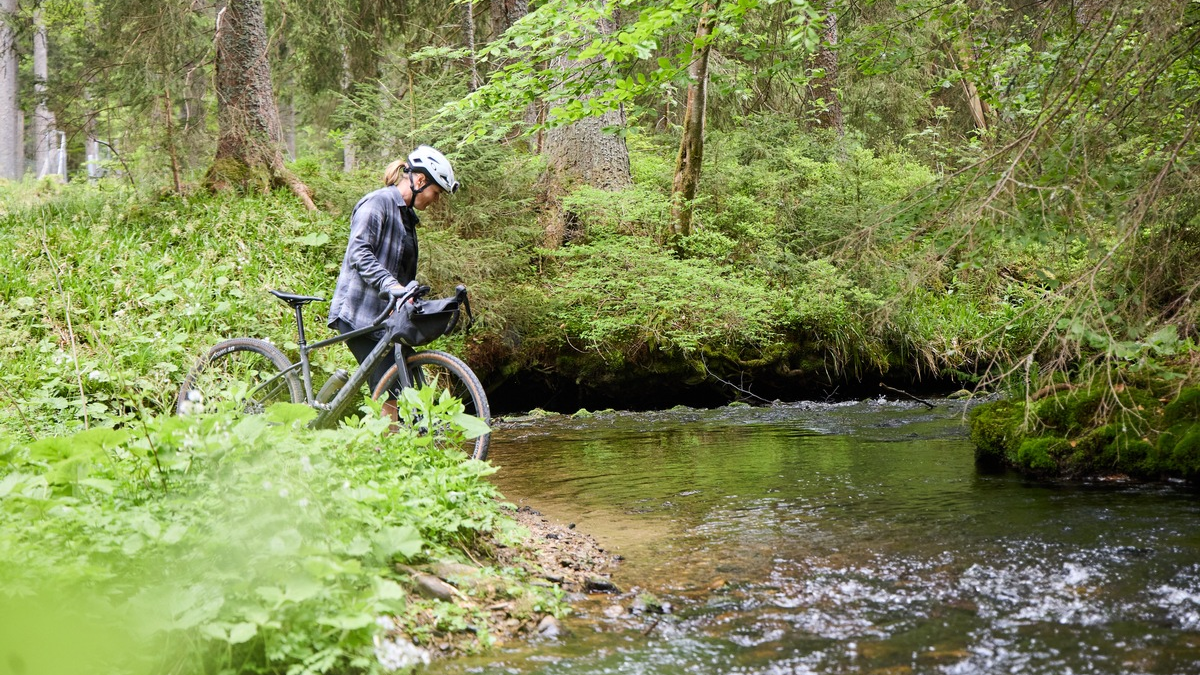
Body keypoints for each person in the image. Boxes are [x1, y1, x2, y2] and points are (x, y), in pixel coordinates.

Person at [327, 145, 460, 414]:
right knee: (392, 392)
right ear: (420, 181)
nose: (436, 200)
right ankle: (385, 453)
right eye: (436, 193)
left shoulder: (406, 216)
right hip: (360, 316)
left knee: (409, 387)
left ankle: (408, 449)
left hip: (386, 320)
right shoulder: (378, 203)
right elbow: (359, 253)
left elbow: (397, 267)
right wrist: (392, 286)